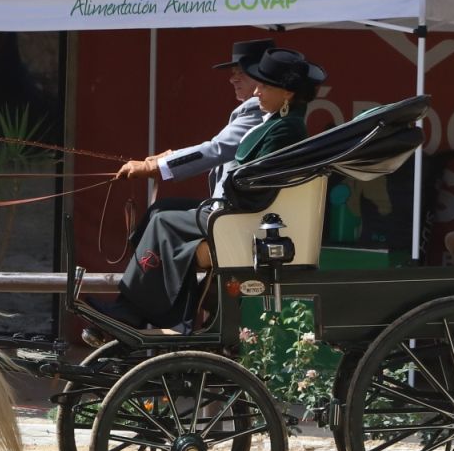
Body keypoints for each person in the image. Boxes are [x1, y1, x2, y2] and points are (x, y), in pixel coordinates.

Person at [110, 46, 325, 329]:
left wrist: (162, 168)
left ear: (287, 93)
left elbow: (234, 164)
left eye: (263, 85)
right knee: (162, 214)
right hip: (241, 206)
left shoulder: (285, 127)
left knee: (163, 220)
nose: (257, 92)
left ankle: (144, 311)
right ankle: (146, 308)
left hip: (243, 211)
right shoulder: (279, 122)